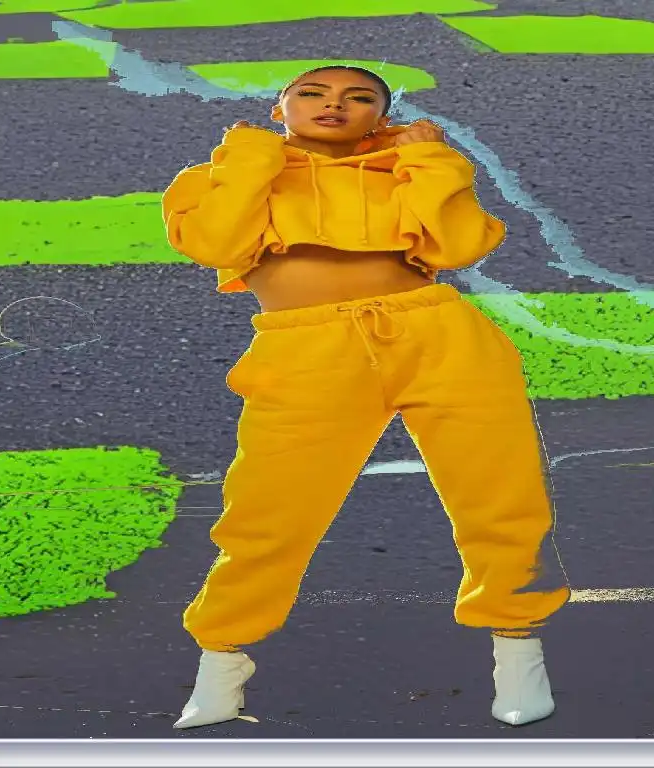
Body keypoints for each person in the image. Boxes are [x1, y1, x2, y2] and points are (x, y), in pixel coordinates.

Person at [161, 65, 570, 730]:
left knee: (503, 498)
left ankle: (518, 653)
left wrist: (429, 158)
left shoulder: (403, 169)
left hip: (439, 335)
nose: (335, 105)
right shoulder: (221, 173)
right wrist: (253, 156)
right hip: (306, 349)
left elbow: (460, 246)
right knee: (269, 512)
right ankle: (221, 663)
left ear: (381, 116)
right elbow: (216, 243)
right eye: (312, 94)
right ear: (279, 108)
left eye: (359, 98)